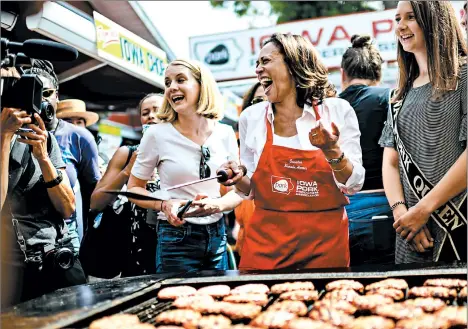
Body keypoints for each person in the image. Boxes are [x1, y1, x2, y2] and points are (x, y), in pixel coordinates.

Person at [218, 33, 365, 270]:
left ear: (294, 63)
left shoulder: (337, 111)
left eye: (265, 61)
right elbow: (251, 189)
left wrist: (331, 149)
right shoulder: (250, 118)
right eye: (257, 63)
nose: (258, 69)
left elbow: (354, 183)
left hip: (325, 244)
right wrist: (238, 179)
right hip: (267, 244)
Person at [127, 59, 242, 273]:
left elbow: (239, 192)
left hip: (217, 236)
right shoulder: (156, 134)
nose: (172, 88)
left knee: (217, 302)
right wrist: (164, 205)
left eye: (180, 80)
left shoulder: (225, 133)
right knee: (176, 303)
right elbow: (133, 189)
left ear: (202, 85)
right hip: (175, 237)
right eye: (168, 82)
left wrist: (217, 205)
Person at [379, 1, 467, 264]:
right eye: (397, 19)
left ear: (434, 20)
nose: (401, 26)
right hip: (412, 232)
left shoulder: (464, 75)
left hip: (459, 225)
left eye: (410, 17)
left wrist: (423, 209)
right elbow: (391, 162)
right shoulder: (399, 94)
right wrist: (402, 216)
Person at [1, 104, 86, 306]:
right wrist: (4, 137)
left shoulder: (42, 138)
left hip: (54, 258)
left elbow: (67, 208)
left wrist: (43, 157)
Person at [24, 61, 102, 247]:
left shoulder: (81, 137)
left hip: (65, 234)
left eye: (47, 93)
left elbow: (92, 191)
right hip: (21, 235)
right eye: (35, 94)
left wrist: (90, 240)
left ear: (57, 95)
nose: (42, 100)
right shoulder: (12, 134)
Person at [90, 93, 163, 276]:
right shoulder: (127, 153)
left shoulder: (182, 155)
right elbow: (96, 203)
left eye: (157, 110)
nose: (151, 116)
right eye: (145, 112)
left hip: (174, 249)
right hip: (133, 253)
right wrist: (128, 170)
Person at [339, 34, 394, 266]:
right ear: (378, 73)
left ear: (343, 73)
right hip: (385, 205)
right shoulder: (388, 98)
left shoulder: (328, 105)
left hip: (338, 210)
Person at [233, 82, 267, 259]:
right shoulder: (238, 152)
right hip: (249, 244)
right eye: (258, 100)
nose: (264, 105)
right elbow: (231, 193)